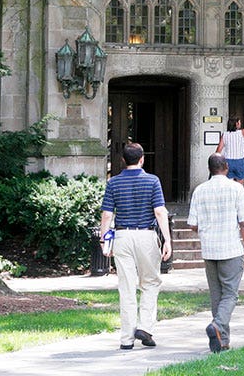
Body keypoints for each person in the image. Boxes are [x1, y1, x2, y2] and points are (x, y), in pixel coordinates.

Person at [99, 142, 173, 350]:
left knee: (127, 287)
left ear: (123, 160)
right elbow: (159, 211)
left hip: (122, 236)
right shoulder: (152, 181)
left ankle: (126, 339)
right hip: (147, 236)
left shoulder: (113, 183)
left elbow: (107, 215)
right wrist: (167, 240)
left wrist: (104, 240)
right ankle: (145, 328)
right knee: (150, 282)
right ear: (142, 159)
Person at [187, 153, 244, 353]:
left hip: (209, 249)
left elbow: (193, 224)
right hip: (231, 248)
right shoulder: (236, 188)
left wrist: (206, 229)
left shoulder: (200, 190)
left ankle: (222, 341)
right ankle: (217, 326)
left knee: (216, 295)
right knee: (231, 294)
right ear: (226, 167)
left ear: (209, 169)